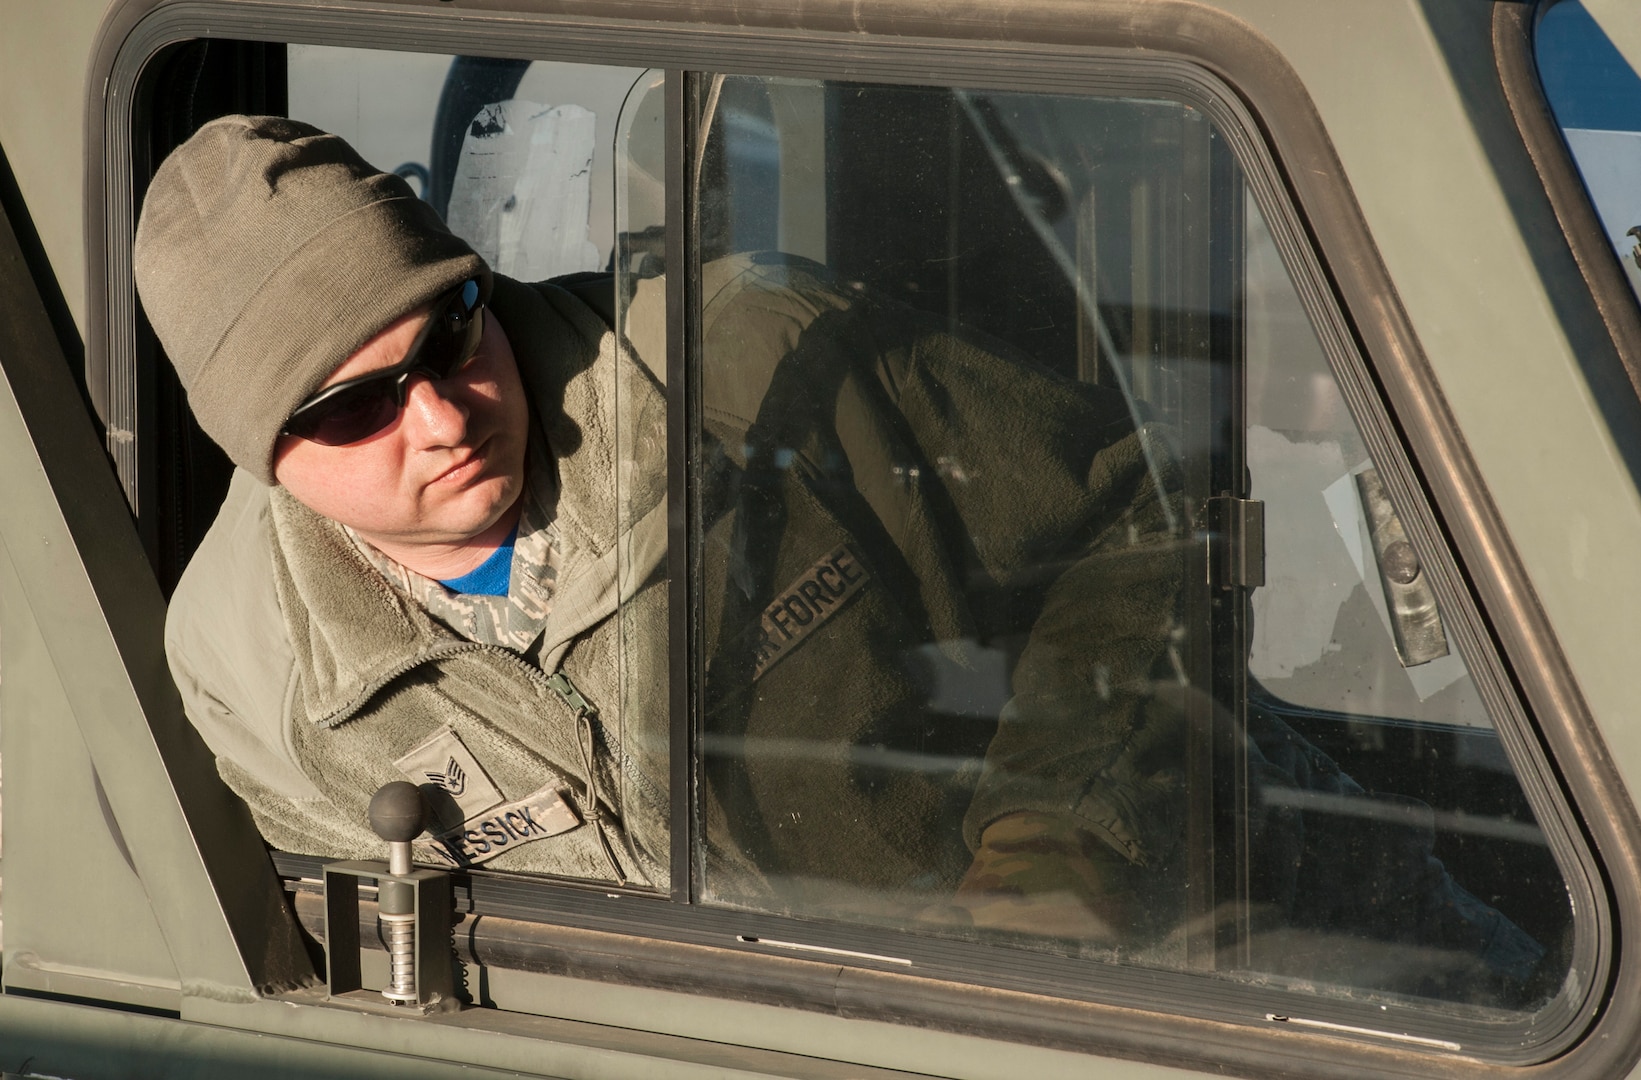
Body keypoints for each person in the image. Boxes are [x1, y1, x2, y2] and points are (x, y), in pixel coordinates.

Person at [139, 116, 1542, 998]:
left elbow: (1137, 521)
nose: (444, 410)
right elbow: (388, 981)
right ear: (262, 453)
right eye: (355, 404)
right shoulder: (253, 674)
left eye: (451, 329)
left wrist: (1056, 831)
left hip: (1229, 938)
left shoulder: (740, 367)